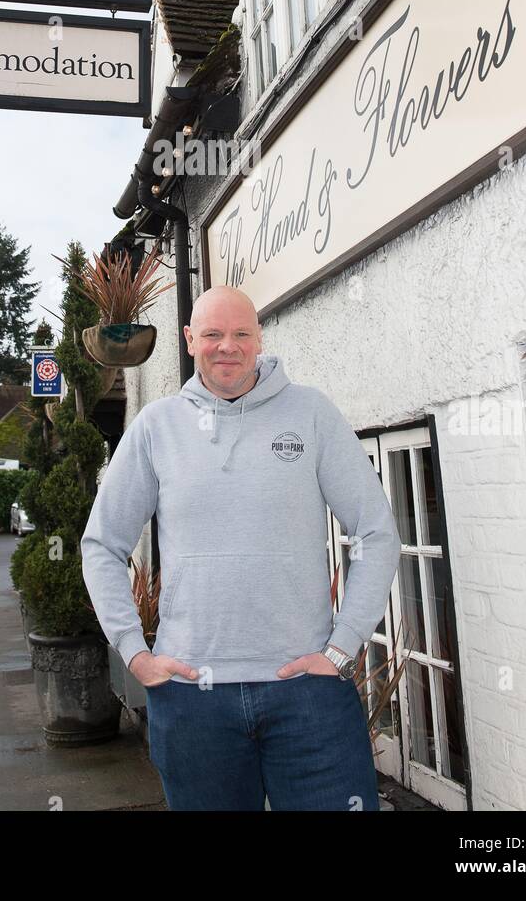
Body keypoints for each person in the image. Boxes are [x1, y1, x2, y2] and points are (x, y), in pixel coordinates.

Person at [80, 285, 401, 811]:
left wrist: (341, 649)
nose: (227, 346)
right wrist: (135, 654)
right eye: (212, 334)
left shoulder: (311, 414)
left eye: (240, 334)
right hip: (191, 700)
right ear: (189, 340)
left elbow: (376, 532)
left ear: (259, 339)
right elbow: (102, 546)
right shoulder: (156, 427)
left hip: (306, 692)